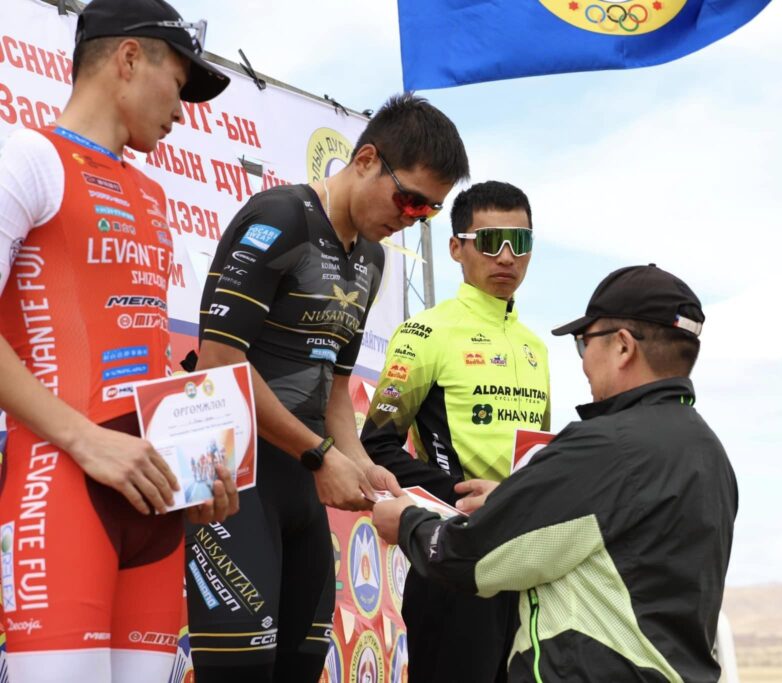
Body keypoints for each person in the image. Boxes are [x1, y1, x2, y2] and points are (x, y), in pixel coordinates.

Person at [185, 93, 470, 683]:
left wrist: (361, 463)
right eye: (409, 199)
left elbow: (336, 389)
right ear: (366, 160)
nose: (412, 217)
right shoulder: (279, 217)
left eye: (429, 210)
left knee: (301, 667)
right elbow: (220, 362)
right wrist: (319, 455)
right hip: (236, 479)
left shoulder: (372, 259)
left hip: (303, 485)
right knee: (240, 673)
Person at [0, 1, 237, 681]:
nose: (182, 111)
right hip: (58, 488)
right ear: (129, 59)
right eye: (179, 84)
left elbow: (142, 345)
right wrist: (85, 439)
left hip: (154, 501)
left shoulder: (153, 196)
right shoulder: (29, 159)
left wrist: (196, 468)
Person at [373, 264, 739, 683]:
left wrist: (408, 523)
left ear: (623, 346)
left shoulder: (603, 446)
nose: (584, 364)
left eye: (585, 343)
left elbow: (474, 556)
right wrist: (513, 500)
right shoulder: (708, 451)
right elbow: (612, 536)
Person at [361, 181, 551, 682]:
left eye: (520, 242)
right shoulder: (425, 333)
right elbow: (377, 446)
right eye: (489, 241)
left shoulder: (536, 347)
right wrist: (463, 502)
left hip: (521, 562)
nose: (506, 256)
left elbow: (536, 457)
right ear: (455, 248)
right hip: (452, 555)